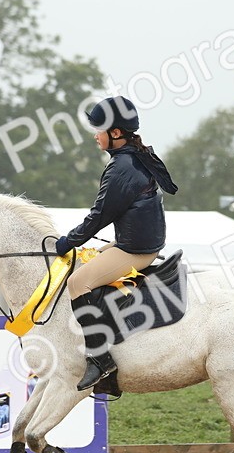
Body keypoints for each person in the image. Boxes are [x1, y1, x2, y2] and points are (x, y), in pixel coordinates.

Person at [55, 96, 179, 392]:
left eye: (99, 130)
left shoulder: (123, 166)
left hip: (135, 249)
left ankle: (101, 359)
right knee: (86, 261)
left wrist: (68, 241)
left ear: (116, 133)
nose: (95, 136)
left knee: (78, 283)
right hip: (132, 241)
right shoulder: (132, 157)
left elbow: (99, 215)